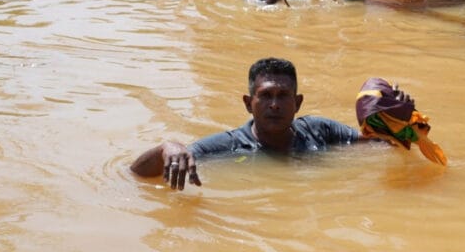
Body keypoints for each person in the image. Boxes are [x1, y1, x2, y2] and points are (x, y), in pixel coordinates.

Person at [130, 57, 369, 190]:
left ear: (297, 103)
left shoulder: (319, 130)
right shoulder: (227, 147)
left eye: (283, 95)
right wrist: (167, 148)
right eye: (265, 95)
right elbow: (135, 174)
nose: (274, 105)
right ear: (248, 103)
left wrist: (398, 119)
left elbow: (378, 143)